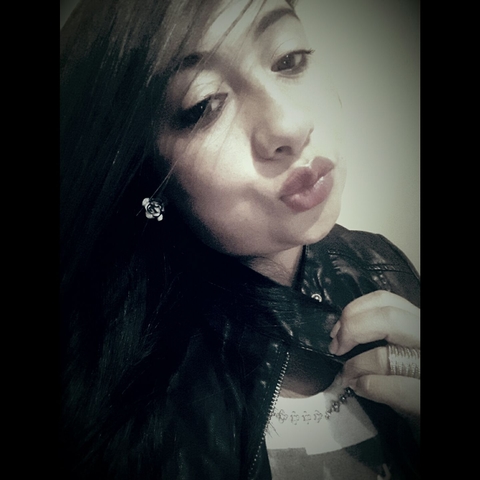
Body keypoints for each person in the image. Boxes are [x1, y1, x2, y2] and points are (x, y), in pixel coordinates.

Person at [60, 0, 420, 479]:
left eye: (289, 59)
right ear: (146, 171)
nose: (292, 124)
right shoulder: (104, 393)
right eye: (204, 105)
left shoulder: (381, 264)